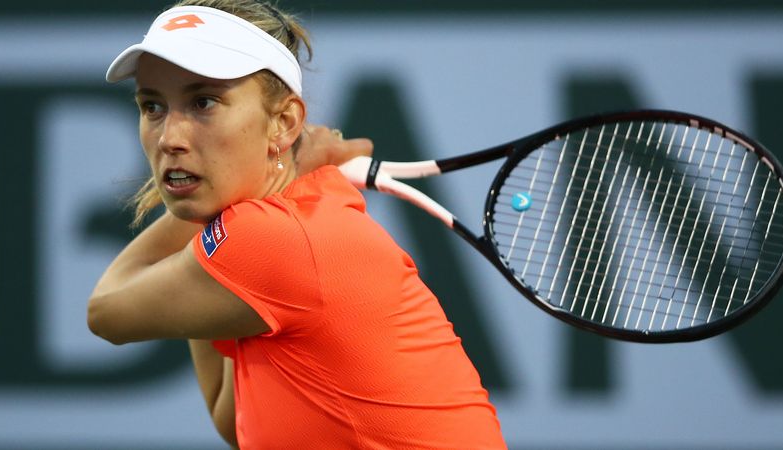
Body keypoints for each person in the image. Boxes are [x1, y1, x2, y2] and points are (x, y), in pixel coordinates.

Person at [87, 1, 507, 448]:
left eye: (204, 101)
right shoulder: (294, 216)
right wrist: (204, 207)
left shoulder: (273, 239)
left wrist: (199, 210)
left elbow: (106, 312)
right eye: (152, 106)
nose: (169, 138)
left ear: (284, 123)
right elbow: (233, 418)